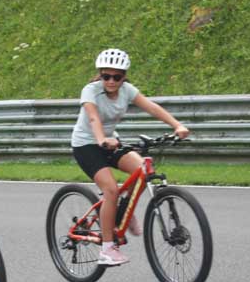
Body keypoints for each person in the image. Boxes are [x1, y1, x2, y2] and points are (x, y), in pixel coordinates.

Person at [71, 48, 190, 266]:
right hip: (86, 144)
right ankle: (107, 249)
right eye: (106, 76)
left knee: (144, 168)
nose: (111, 81)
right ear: (100, 74)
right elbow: (93, 118)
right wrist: (101, 139)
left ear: (124, 76)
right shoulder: (90, 91)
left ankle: (122, 209)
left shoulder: (127, 90)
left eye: (116, 77)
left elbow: (152, 108)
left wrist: (177, 125)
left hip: (111, 141)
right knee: (110, 189)